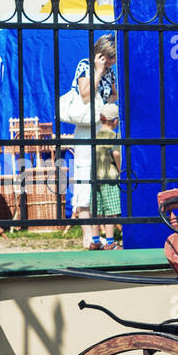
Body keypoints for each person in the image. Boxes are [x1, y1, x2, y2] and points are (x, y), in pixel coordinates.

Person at [70, 34, 119, 249]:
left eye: (112, 58)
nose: (110, 62)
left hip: (103, 129)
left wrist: (109, 99)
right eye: (108, 57)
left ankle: (102, 239)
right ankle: (88, 237)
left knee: (103, 182)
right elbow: (85, 95)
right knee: (84, 182)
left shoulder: (111, 72)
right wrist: (98, 72)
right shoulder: (85, 66)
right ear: (98, 53)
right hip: (85, 131)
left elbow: (114, 96)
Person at [89, 103, 123, 250]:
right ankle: (110, 242)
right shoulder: (114, 136)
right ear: (115, 121)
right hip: (109, 178)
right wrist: (121, 170)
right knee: (110, 213)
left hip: (95, 177)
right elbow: (116, 153)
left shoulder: (96, 136)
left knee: (96, 212)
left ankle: (95, 241)